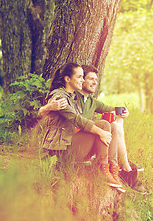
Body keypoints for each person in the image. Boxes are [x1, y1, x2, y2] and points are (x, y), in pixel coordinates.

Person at [40, 64, 146, 194]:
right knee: (103, 125)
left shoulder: (75, 97)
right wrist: (47, 107)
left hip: (70, 144)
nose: (83, 80)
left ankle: (112, 168)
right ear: (68, 79)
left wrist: (123, 111)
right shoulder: (62, 97)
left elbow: (108, 108)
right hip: (59, 153)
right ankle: (106, 168)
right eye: (81, 77)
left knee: (110, 125)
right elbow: (77, 120)